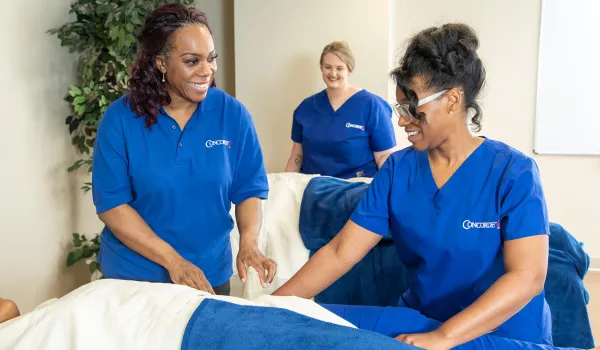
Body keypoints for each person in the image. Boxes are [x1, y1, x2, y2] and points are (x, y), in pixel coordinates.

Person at [273, 23, 552, 349]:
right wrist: (269, 307)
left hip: (503, 329)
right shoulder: (397, 170)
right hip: (425, 318)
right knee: (307, 324)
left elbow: (527, 277)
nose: (402, 120)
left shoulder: (513, 172)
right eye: (400, 108)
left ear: (451, 100)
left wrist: (444, 337)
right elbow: (339, 253)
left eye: (412, 108)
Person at [91, 4, 277, 296]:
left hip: (208, 274)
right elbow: (113, 206)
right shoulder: (120, 119)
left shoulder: (231, 114)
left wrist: (249, 244)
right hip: (133, 279)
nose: (207, 71)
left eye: (211, 58)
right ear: (161, 63)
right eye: (192, 61)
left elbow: (249, 188)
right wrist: (173, 261)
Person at [284, 41, 397, 179]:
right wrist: (286, 183)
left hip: (356, 189)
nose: (333, 73)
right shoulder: (306, 108)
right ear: (321, 68)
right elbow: (297, 155)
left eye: (339, 68)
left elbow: (384, 156)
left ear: (349, 69)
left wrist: (391, 192)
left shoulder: (371, 106)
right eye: (327, 67)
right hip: (313, 189)